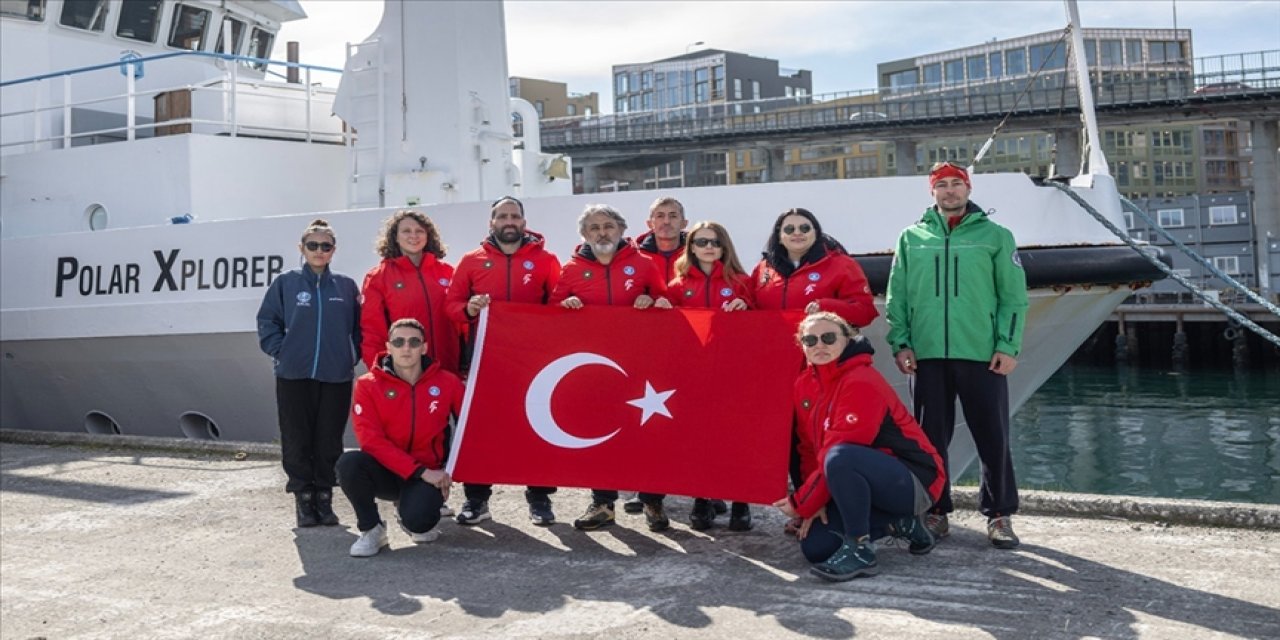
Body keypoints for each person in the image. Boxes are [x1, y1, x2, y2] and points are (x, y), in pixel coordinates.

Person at [884, 161, 1029, 549]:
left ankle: (999, 515)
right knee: (930, 439)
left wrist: (1007, 346)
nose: (950, 191)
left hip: (982, 353)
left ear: (968, 188)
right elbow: (897, 296)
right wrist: (901, 342)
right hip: (927, 354)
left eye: (956, 184)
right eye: (942, 185)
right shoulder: (910, 238)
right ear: (932, 192)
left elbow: (1013, 297)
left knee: (992, 435)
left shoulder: (996, 236)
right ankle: (936, 510)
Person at [773, 312, 945, 582]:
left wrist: (801, 503)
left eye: (828, 337)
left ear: (848, 339)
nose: (819, 345)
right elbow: (808, 449)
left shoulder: (861, 380)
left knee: (841, 455)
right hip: (857, 478)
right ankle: (900, 524)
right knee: (816, 547)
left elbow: (843, 449)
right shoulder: (804, 385)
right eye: (810, 339)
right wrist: (814, 504)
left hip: (914, 479)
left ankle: (861, 549)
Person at [550, 203, 672, 531]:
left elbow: (666, 304)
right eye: (594, 228)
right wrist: (566, 306)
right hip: (595, 367)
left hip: (639, 364)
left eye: (608, 226)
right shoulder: (571, 269)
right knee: (599, 431)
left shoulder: (644, 264)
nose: (602, 232)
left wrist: (652, 302)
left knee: (646, 432)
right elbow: (550, 311)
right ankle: (603, 503)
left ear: (620, 229)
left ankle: (653, 501)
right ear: (584, 235)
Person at [444, 196, 562, 526]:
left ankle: (539, 499)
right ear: (491, 222)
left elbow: (557, 305)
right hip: (484, 361)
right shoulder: (471, 261)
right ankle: (476, 499)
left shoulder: (546, 259)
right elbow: (451, 304)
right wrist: (468, 309)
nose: (508, 221)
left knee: (535, 427)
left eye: (514, 216)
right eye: (502, 216)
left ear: (524, 222)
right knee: (481, 429)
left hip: (532, 362)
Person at [256, 219, 361, 528]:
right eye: (312, 245)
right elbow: (267, 320)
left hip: (335, 375)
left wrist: (351, 356)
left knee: (329, 439)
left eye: (325, 246)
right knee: (296, 437)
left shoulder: (345, 286)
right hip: (293, 374)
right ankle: (303, 498)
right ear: (301, 249)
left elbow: (358, 329)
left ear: (333, 251)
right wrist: (281, 350)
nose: (319, 251)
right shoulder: (286, 283)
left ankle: (324, 497)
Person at [337, 318, 464, 557]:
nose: (407, 348)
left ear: (424, 347)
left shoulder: (448, 382)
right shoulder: (366, 385)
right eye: (399, 341)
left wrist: (449, 470)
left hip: (427, 475)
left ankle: (408, 511)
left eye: (414, 342)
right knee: (349, 463)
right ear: (389, 346)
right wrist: (419, 471)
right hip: (390, 472)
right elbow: (370, 441)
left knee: (420, 524)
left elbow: (469, 426)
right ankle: (372, 529)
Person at [667, 221, 755, 531]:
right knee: (699, 439)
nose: (708, 247)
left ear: (724, 247)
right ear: (690, 246)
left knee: (734, 438)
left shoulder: (743, 282)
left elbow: (762, 323)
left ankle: (740, 502)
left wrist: (747, 308)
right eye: (701, 241)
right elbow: (665, 330)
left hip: (734, 374)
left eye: (715, 242)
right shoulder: (677, 286)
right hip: (693, 376)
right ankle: (702, 498)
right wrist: (661, 307)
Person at [360, 209, 460, 375]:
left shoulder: (448, 272)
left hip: (447, 368)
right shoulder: (379, 277)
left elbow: (462, 322)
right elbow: (372, 330)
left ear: (428, 236)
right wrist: (379, 371)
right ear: (396, 237)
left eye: (419, 231)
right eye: (406, 231)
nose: (413, 235)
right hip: (405, 373)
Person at [635, 196, 688, 282]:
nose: (666, 221)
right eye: (660, 216)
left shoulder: (697, 255)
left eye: (673, 216)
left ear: (684, 223)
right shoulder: (635, 256)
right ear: (650, 224)